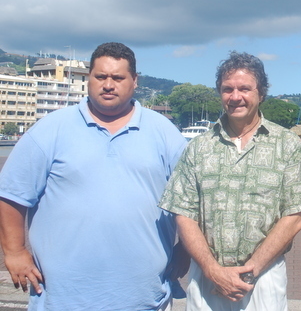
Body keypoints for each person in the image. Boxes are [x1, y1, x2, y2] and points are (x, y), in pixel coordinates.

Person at [0, 42, 189, 310]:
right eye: (100, 76)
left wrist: (185, 250)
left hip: (144, 298)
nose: (108, 84)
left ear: (134, 81)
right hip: (62, 298)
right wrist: (15, 251)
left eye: (118, 77)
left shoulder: (165, 133)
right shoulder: (49, 130)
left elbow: (193, 199)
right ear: (89, 78)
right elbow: (11, 195)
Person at [159, 51, 301, 311]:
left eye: (245, 88)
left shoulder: (286, 144)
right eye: (227, 89)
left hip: (263, 280)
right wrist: (212, 269)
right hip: (208, 279)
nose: (235, 96)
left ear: (261, 93)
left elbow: (295, 215)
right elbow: (184, 215)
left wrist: (251, 270)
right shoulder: (199, 147)